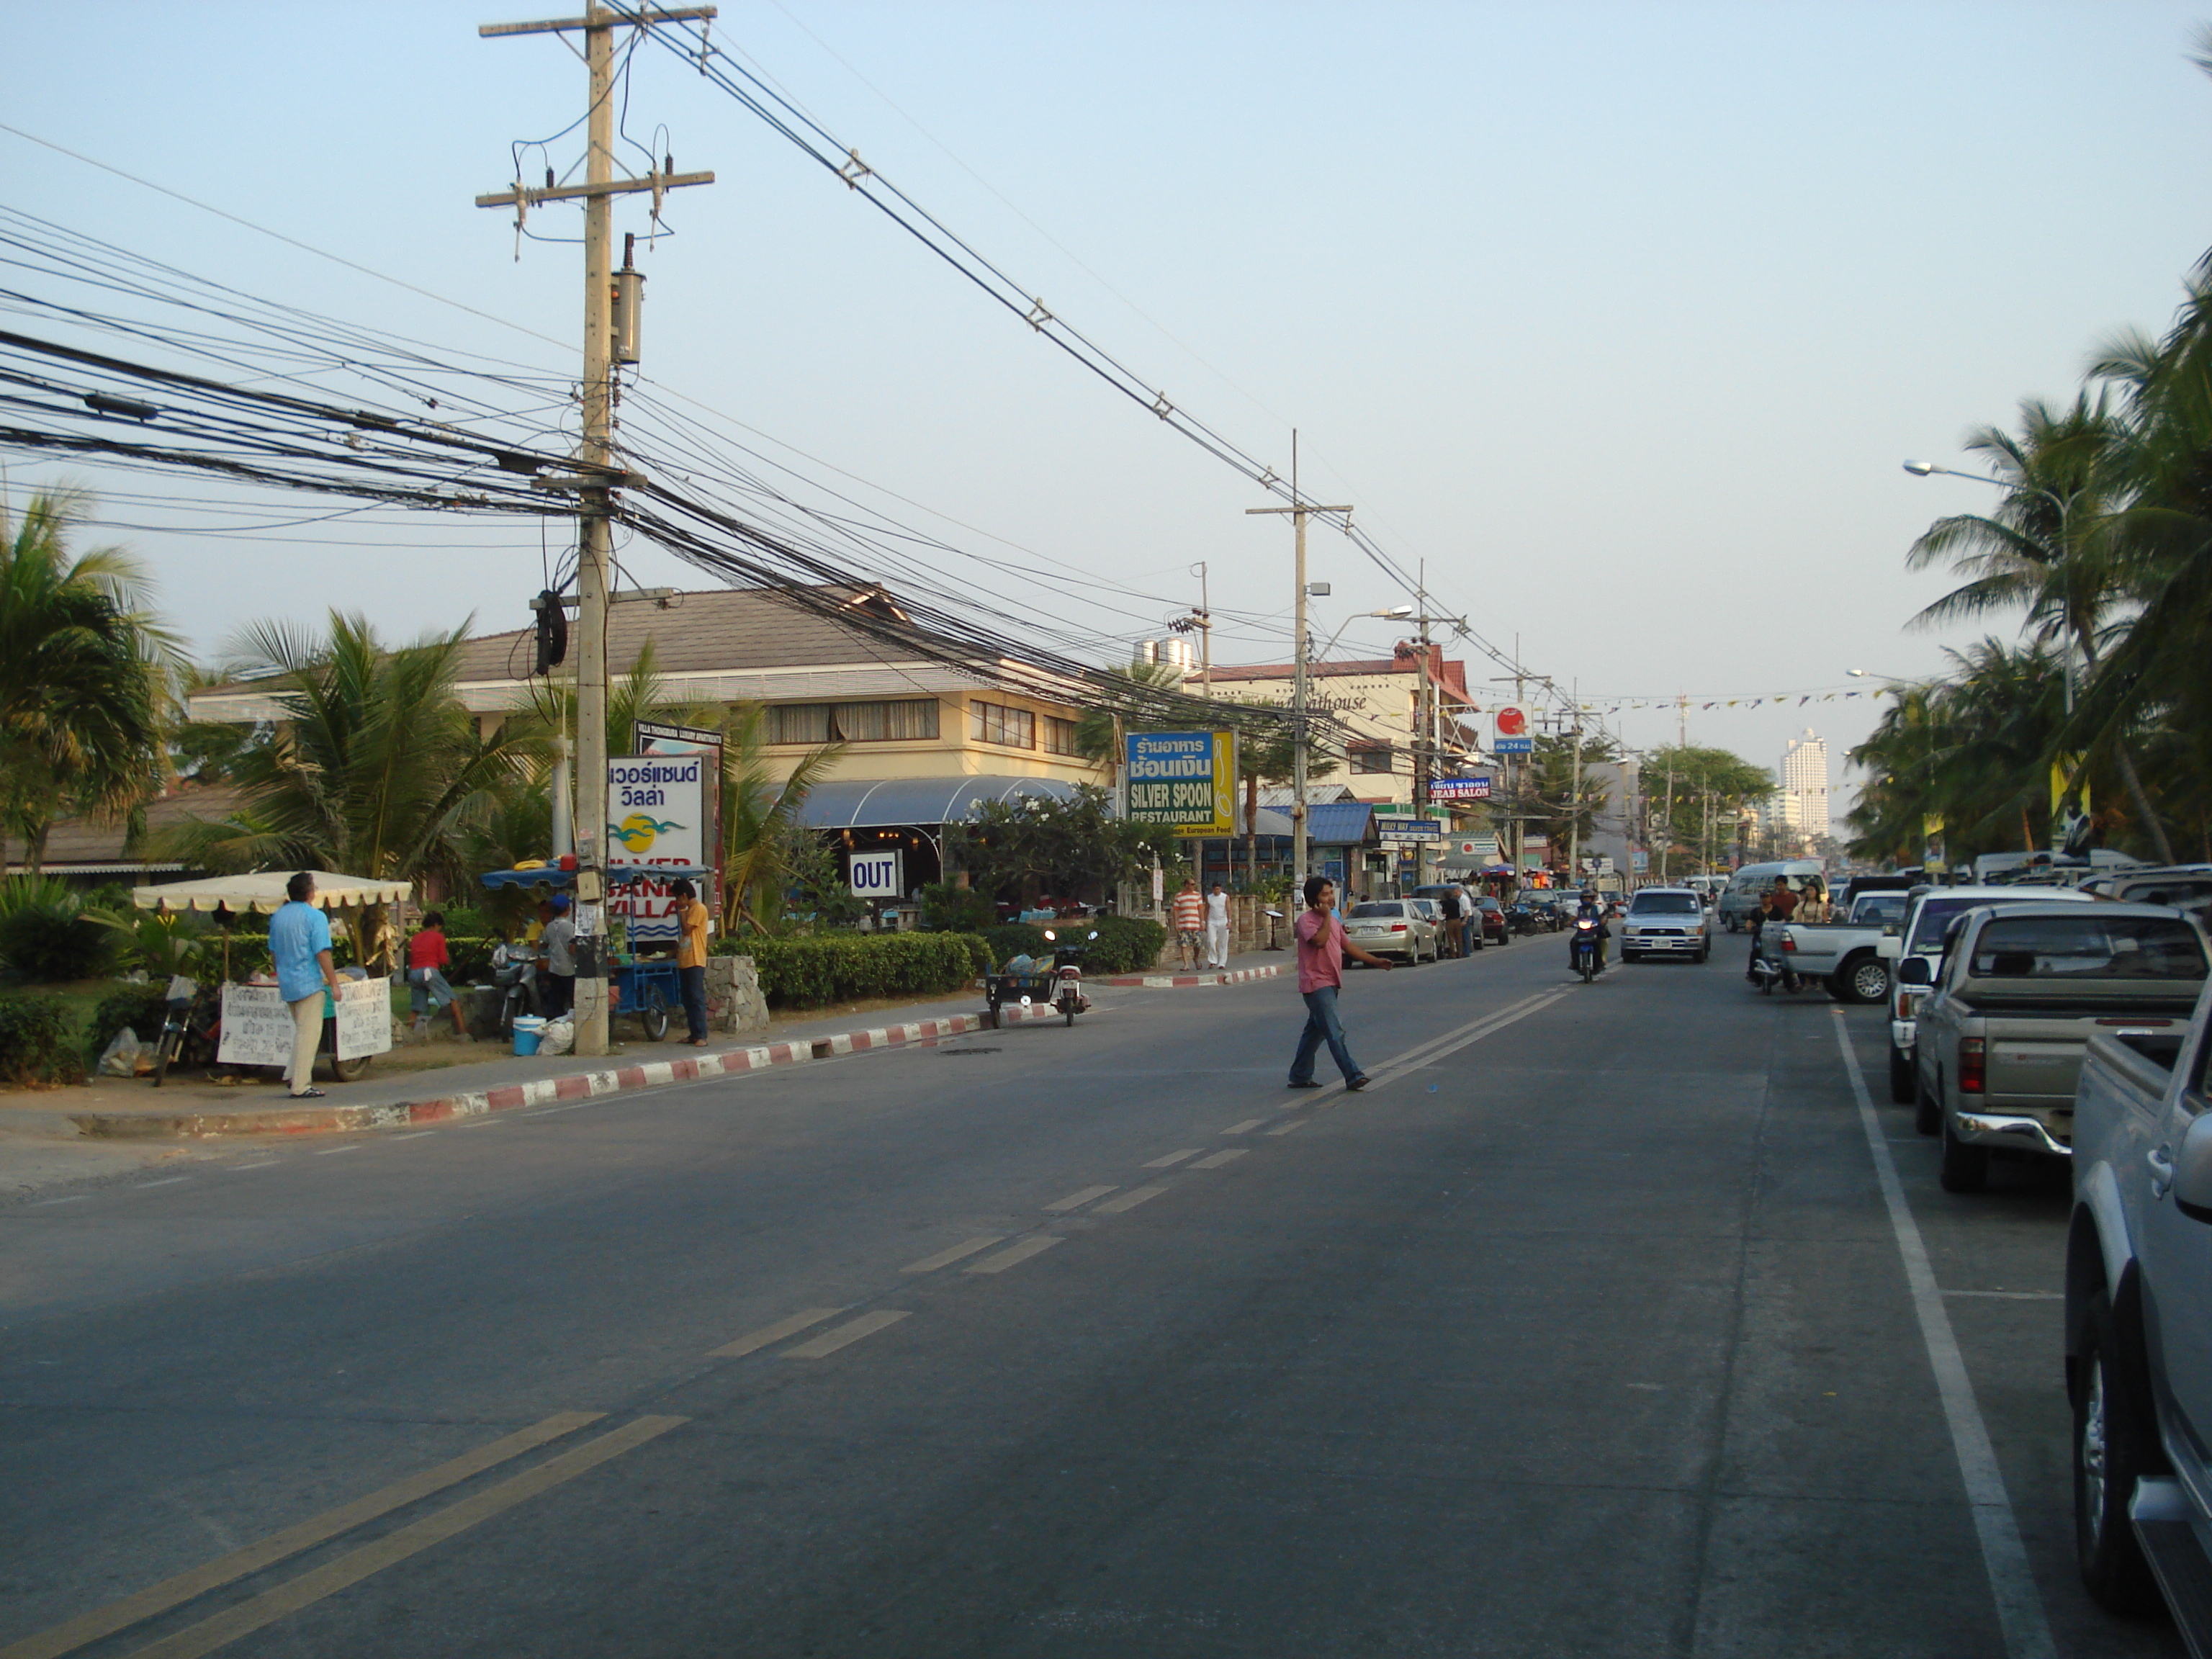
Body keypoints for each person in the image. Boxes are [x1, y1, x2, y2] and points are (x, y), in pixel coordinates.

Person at [1288, 873, 1393, 1089]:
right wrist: (1326, 917)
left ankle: (1299, 1075)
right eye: (1324, 895)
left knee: (1314, 1034)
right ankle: (1353, 1075)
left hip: (1332, 982)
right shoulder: (1306, 921)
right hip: (1316, 984)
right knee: (1335, 1031)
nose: (1330, 898)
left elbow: (1348, 946)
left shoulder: (1334, 921)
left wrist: (1376, 961)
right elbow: (1319, 941)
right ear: (1313, 900)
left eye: (1330, 894)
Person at [269, 871, 343, 1100]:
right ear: (310, 893)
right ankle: (300, 1084)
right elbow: (322, 951)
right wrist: (334, 983)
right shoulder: (315, 917)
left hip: (288, 981)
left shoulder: (278, 916)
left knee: (301, 1031)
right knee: (309, 1034)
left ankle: (291, 1074)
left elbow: (273, 951)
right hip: (308, 981)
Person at [406, 911, 470, 1043]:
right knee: (452, 999)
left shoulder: (416, 937)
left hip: (414, 973)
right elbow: (443, 959)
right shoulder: (438, 937)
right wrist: (449, 961)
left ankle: (406, 1035)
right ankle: (463, 1033)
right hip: (429, 971)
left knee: (416, 1008)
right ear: (436, 925)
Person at [671, 877, 712, 1046]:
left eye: (677, 898)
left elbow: (687, 929)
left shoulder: (698, 909)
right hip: (685, 959)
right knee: (687, 999)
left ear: (684, 896)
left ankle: (702, 1034)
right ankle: (693, 1033)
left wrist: (681, 911)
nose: (676, 902)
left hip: (695, 959)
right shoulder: (689, 909)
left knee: (696, 998)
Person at [540, 894, 577, 1017]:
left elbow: (543, 945)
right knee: (574, 1001)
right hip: (569, 970)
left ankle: (555, 1026)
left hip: (554, 969)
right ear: (568, 909)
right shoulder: (570, 927)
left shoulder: (549, 926)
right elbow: (573, 949)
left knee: (556, 1003)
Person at [1568, 889, 1611, 974]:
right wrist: (1569, 922)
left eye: (1588, 899)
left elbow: (1603, 917)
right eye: (1585, 899)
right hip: (1581, 932)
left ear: (1592, 899)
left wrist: (1603, 921)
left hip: (1595, 931)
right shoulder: (1578, 909)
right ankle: (1575, 963)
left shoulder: (1597, 908)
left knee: (1601, 941)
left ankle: (1600, 962)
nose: (1587, 900)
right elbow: (1573, 918)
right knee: (1573, 942)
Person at [1171, 877, 1206, 972]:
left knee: (1197, 944)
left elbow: (1201, 909)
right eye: (1192, 884)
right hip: (1183, 924)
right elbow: (1176, 910)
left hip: (1195, 924)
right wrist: (1176, 923)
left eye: (1194, 884)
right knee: (1184, 945)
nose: (1193, 886)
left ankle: (1196, 958)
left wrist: (1202, 921)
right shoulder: (1179, 896)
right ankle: (1186, 964)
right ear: (1186, 885)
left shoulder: (1197, 896)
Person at [1203, 881, 1231, 971]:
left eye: (1218, 889)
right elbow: (1206, 910)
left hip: (1223, 921)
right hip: (1212, 921)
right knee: (1211, 941)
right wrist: (1204, 921)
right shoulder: (1209, 898)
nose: (1216, 891)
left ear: (1221, 889)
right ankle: (1212, 961)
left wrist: (1229, 921)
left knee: (1223, 942)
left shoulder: (1225, 897)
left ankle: (1222, 963)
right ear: (1213, 889)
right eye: (1215, 889)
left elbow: (1229, 909)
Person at [1437, 883, 1464, 959]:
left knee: (1451, 938)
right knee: (1459, 937)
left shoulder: (1445, 903)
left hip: (1450, 921)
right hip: (1458, 920)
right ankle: (1460, 952)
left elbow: (1444, 913)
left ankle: (1453, 954)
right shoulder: (1456, 901)